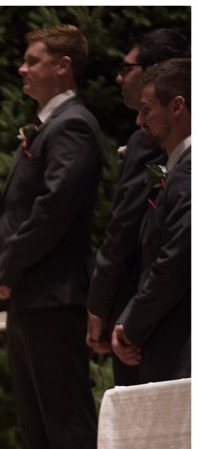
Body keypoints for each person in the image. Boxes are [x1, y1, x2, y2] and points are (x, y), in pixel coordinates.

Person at [0, 25, 101, 449]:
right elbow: (16, 210)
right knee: (34, 418)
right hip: (31, 294)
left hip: (56, 295)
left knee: (63, 414)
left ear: (64, 66)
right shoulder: (42, 126)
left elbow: (53, 210)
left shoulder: (73, 127)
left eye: (34, 61)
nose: (23, 69)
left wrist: (8, 262)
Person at [86, 30, 189, 385]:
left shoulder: (177, 165)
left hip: (165, 331)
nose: (139, 122)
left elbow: (170, 256)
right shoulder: (170, 160)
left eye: (126, 67)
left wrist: (124, 319)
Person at [112, 59, 190, 382]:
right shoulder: (171, 169)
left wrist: (131, 327)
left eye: (147, 110)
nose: (139, 119)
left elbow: (174, 263)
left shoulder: (188, 174)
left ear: (177, 106)